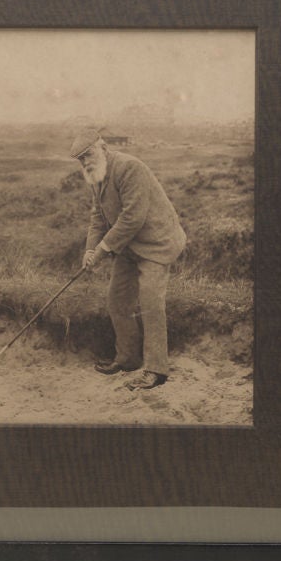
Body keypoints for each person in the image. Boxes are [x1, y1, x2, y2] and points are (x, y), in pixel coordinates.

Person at [70, 130, 187, 390]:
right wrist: (90, 251)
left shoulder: (129, 168)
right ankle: (128, 359)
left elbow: (133, 217)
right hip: (129, 246)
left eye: (88, 155)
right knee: (117, 300)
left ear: (102, 147)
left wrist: (101, 251)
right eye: (80, 160)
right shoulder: (96, 175)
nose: (86, 162)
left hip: (158, 244)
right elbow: (98, 218)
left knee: (150, 301)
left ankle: (156, 370)